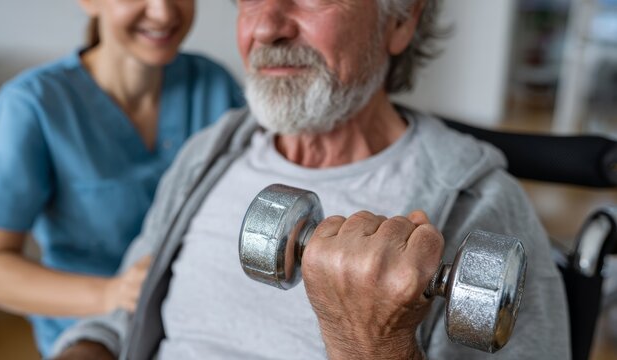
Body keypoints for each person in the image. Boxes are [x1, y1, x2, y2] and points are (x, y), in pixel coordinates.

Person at [52, 0, 571, 359]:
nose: (266, 27)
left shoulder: (480, 201)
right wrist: (85, 349)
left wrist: (371, 343)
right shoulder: (209, 153)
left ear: (401, 21)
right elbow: (121, 314)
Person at [0, 0, 243, 357]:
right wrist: (112, 294)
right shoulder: (34, 105)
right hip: (91, 339)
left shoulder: (214, 84)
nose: (163, 12)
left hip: (194, 322)